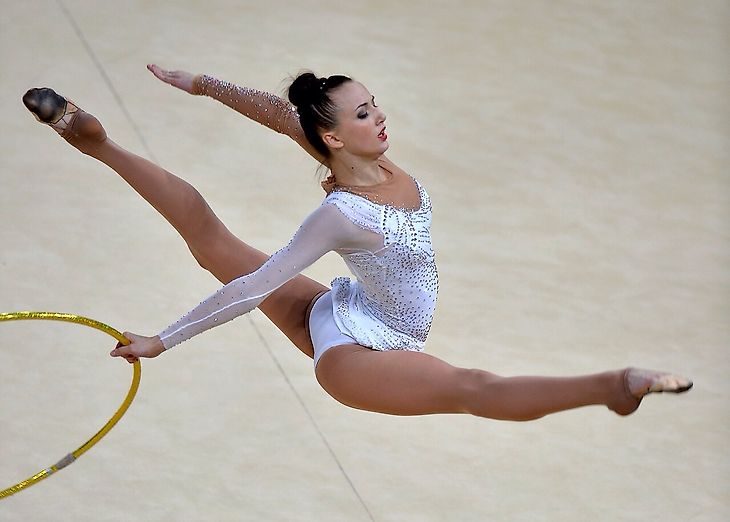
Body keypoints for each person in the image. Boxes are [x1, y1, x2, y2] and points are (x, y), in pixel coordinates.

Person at [22, 65, 692, 421]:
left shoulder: (364, 161)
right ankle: (614, 385)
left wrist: (203, 85)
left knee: (207, 235)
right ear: (337, 139)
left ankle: (93, 138)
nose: (380, 118)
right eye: (364, 113)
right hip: (356, 355)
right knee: (475, 389)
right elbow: (255, 286)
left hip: (350, 312)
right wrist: (160, 340)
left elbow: (281, 113)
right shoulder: (342, 212)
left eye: (376, 103)